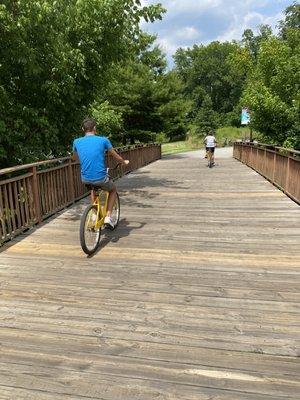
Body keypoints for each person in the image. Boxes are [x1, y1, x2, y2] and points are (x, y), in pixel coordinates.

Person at [72, 118, 129, 229]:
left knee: (93, 188)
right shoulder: (103, 140)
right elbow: (115, 155)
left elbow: (74, 158)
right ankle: (108, 216)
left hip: (85, 178)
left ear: (83, 129)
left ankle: (94, 213)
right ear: (95, 128)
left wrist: (83, 160)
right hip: (101, 177)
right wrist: (123, 162)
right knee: (112, 190)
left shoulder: (76, 141)